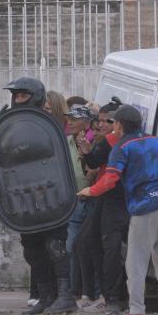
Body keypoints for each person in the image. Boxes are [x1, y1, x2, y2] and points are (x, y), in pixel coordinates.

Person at [80, 104, 158, 315]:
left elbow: (110, 180)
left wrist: (90, 191)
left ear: (118, 125)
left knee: (135, 261)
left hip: (145, 206)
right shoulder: (157, 142)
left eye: (113, 123)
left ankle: (136, 314)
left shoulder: (121, 147)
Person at [3, 77, 78, 315]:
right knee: (32, 247)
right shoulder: (9, 125)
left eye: (23, 95)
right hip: (24, 197)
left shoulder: (47, 124)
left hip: (52, 195)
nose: (18, 99)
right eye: (16, 96)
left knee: (55, 246)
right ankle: (46, 296)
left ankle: (66, 297)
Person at [76, 97, 128, 314]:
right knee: (91, 243)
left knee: (107, 247)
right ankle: (101, 294)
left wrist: (88, 153)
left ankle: (110, 296)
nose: (101, 125)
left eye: (108, 121)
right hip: (111, 197)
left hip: (110, 197)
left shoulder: (112, 142)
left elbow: (99, 165)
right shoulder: (117, 141)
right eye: (100, 121)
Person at [63, 104, 99, 304]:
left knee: (91, 247)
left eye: (75, 119)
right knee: (71, 246)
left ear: (86, 122)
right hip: (74, 200)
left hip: (94, 199)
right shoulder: (66, 141)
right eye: (69, 118)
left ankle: (92, 291)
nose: (70, 121)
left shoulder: (95, 141)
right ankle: (72, 290)